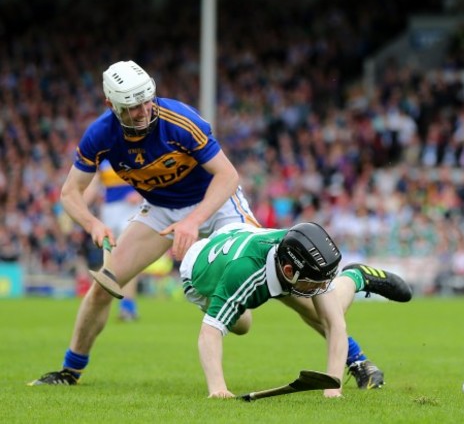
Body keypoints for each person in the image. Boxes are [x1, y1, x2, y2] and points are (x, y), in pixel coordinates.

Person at [29, 60, 396, 389]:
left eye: (146, 101)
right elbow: (70, 194)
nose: (143, 111)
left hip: (218, 206)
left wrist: (193, 221)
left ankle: (358, 360)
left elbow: (228, 175)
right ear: (111, 106)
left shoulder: (179, 120)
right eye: (132, 107)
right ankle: (69, 371)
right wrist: (93, 223)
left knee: (290, 289)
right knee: (104, 285)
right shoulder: (100, 134)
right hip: (159, 209)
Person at [179, 221, 412, 398]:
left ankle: (353, 277)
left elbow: (335, 324)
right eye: (317, 282)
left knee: (322, 312)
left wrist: (333, 387)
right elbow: (210, 332)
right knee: (243, 324)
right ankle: (354, 278)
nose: (323, 287)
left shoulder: (303, 254)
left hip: (244, 237)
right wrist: (218, 388)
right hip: (199, 275)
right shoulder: (243, 276)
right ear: (289, 271)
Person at [88, 159, 143, 321]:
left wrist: (139, 194)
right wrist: (77, 209)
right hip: (110, 212)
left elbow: (149, 177)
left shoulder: (133, 153)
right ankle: (108, 303)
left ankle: (128, 305)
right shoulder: (103, 159)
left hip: (130, 210)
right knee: (111, 260)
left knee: (129, 256)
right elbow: (94, 186)